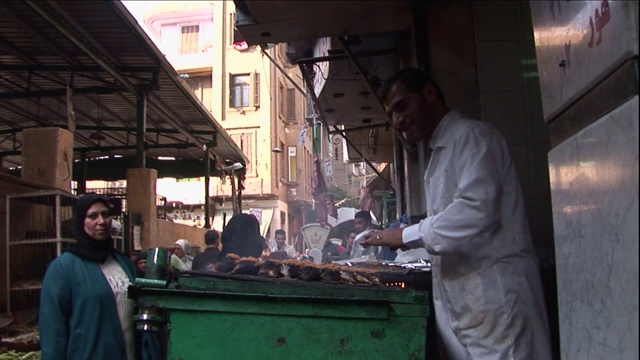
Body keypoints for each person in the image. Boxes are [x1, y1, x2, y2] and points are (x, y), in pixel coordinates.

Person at [361, 67, 552, 359]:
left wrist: (405, 235)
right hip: (471, 310)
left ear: (429, 93)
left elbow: (475, 210)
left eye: (402, 106)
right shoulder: (440, 151)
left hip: (497, 302)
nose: (398, 120)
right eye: (391, 115)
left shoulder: (474, 137)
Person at [39, 193, 137, 359]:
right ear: (80, 222)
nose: (101, 221)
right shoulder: (64, 267)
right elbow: (53, 328)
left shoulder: (123, 263)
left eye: (105, 215)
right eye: (92, 216)